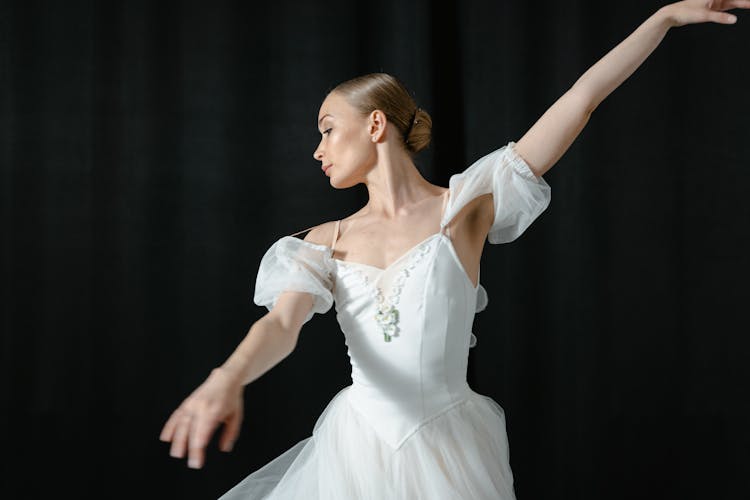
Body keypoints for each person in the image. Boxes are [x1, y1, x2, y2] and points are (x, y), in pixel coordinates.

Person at [160, 2, 746, 498]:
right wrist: (226, 377)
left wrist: (663, 18)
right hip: (354, 450)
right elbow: (282, 324)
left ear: (375, 125)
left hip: (449, 445)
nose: (317, 149)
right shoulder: (322, 243)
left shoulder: (466, 205)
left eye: (326, 128)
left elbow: (581, 97)